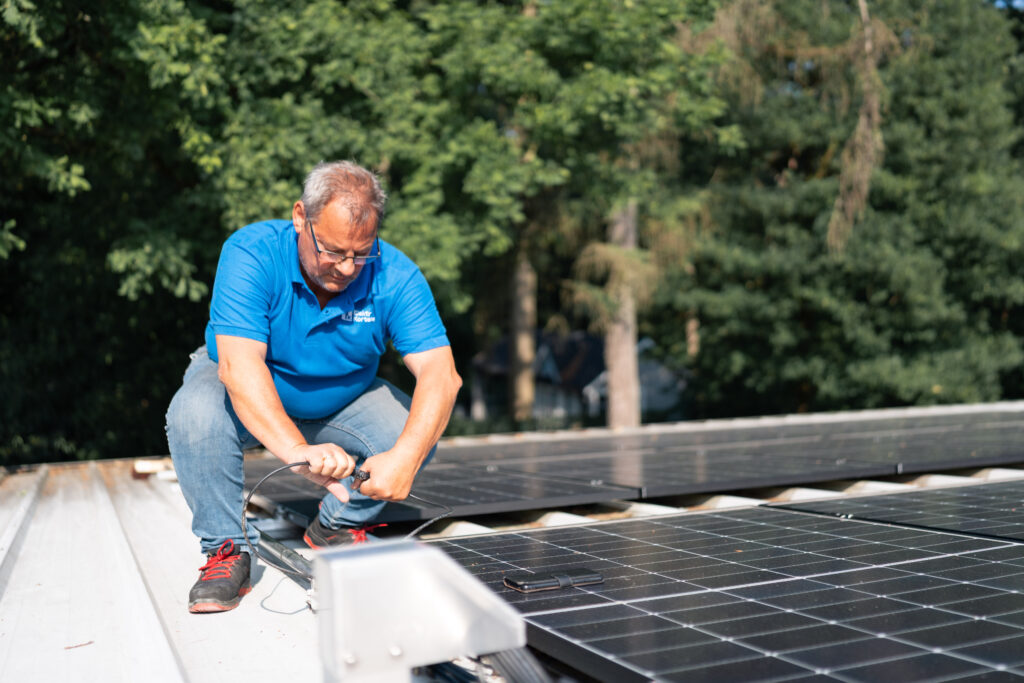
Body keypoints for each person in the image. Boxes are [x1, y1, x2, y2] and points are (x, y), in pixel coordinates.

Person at [165, 160, 462, 613]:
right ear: (300, 217)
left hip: (341, 401)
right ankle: (226, 548)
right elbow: (239, 367)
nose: (346, 267)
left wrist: (406, 457)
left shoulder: (396, 276)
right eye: (333, 250)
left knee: (417, 427)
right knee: (194, 413)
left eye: (361, 253)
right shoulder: (251, 252)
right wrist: (296, 450)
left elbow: (442, 375)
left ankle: (336, 524)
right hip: (247, 387)